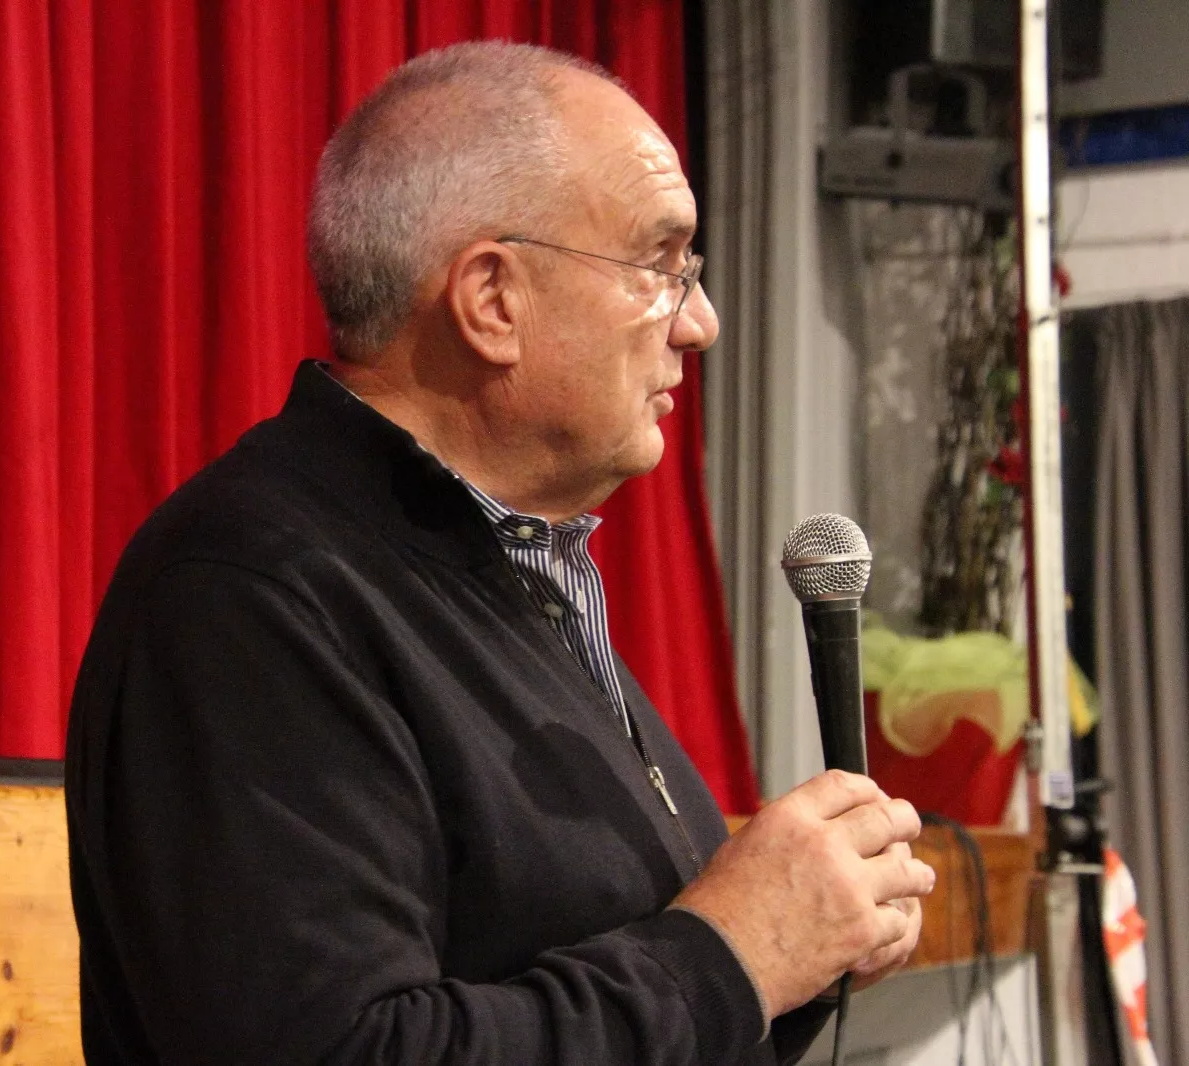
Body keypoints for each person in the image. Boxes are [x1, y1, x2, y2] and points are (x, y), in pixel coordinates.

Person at [65, 40, 933, 1066]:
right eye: (659, 264)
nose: (698, 322)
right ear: (492, 300)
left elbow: (603, 980)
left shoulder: (512, 570)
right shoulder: (251, 597)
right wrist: (732, 954)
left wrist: (798, 955)